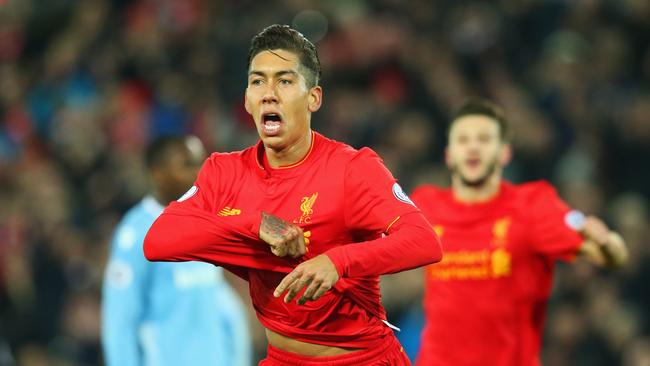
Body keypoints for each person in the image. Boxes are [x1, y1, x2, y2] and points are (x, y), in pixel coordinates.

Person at [143, 24, 443, 365]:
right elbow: (158, 241)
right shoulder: (223, 172)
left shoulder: (352, 168)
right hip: (282, 358)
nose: (269, 93)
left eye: (284, 81)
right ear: (247, 100)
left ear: (313, 97)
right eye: (258, 81)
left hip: (362, 358)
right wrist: (256, 224)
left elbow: (424, 241)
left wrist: (337, 262)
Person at [410, 98, 628, 366]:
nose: (473, 148)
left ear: (504, 153)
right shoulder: (425, 204)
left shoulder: (533, 206)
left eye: (484, 139)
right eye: (463, 140)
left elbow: (612, 257)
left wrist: (606, 241)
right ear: (448, 154)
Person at [101, 135, 251, 366]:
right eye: (187, 164)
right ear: (158, 174)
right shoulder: (136, 234)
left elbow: (218, 300)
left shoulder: (206, 224)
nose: (200, 172)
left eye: (202, 163)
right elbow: (120, 321)